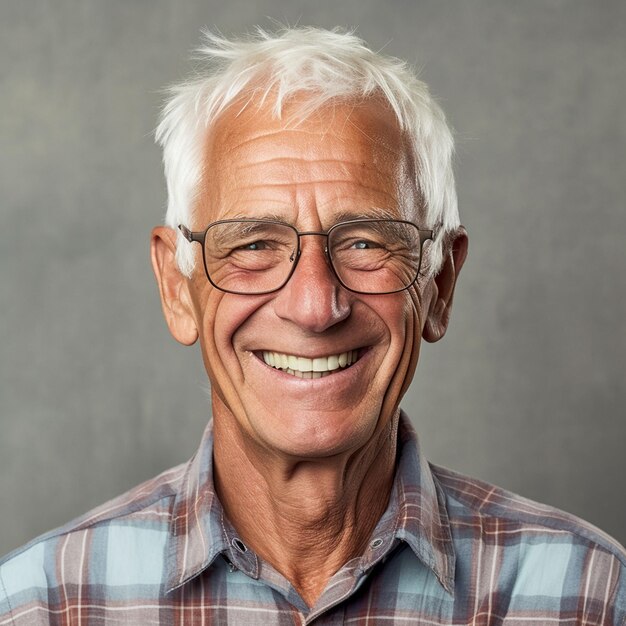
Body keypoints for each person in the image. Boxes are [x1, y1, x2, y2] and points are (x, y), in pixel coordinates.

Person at [1, 26, 624, 625]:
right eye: (252, 245)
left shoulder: (591, 597)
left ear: (439, 284)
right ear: (177, 286)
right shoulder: (42, 606)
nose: (313, 305)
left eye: (366, 242)